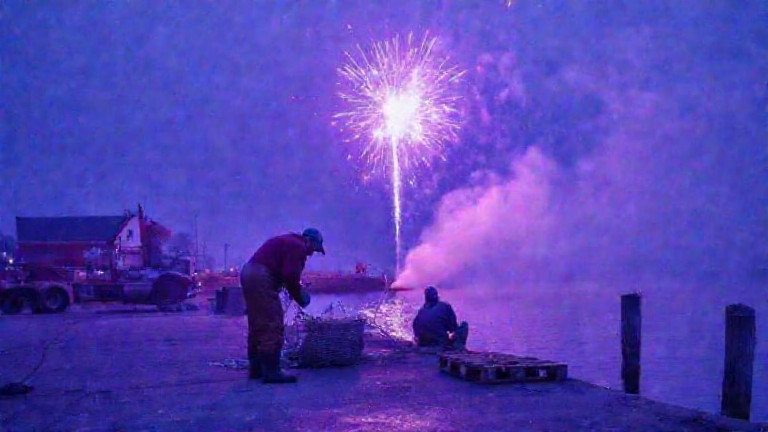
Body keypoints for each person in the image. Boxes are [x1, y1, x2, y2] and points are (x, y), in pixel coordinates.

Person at [240, 228, 325, 384]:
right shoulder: (298, 246)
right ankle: (272, 372)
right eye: (314, 249)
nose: (312, 253)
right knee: (272, 321)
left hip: (248, 272)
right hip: (260, 276)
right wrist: (300, 296)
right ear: (309, 241)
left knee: (257, 322)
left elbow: (284, 274)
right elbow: (291, 275)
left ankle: (257, 369)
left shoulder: (287, 241)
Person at [412, 286, 469, 350]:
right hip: (440, 343)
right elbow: (453, 328)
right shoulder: (445, 306)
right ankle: (459, 348)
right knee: (464, 325)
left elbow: (415, 328)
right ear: (437, 295)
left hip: (423, 343)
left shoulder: (421, 311)